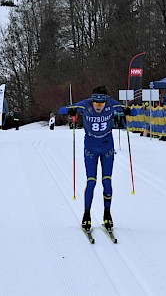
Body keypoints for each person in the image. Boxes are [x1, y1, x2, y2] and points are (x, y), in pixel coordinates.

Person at [61, 85, 131, 231]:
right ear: (92, 100)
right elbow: (62, 110)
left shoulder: (111, 103)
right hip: (91, 148)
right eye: (96, 103)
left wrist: (128, 110)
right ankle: (86, 215)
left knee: (107, 181)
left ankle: (107, 214)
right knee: (91, 182)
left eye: (101, 103)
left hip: (107, 148)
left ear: (106, 101)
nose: (98, 106)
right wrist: (71, 110)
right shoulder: (85, 104)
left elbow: (133, 111)